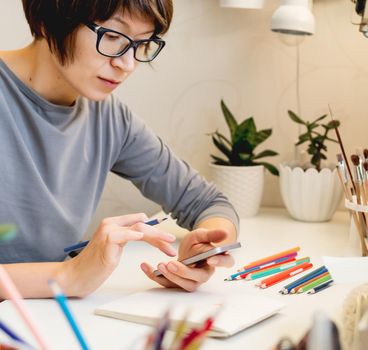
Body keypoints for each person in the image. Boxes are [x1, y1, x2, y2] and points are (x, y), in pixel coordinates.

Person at [0, 0, 239, 299]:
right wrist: (68, 276)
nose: (127, 64)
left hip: (44, 320)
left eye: (142, 44)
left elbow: (206, 202)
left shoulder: (109, 118)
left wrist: (207, 249)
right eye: (112, 36)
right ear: (49, 20)